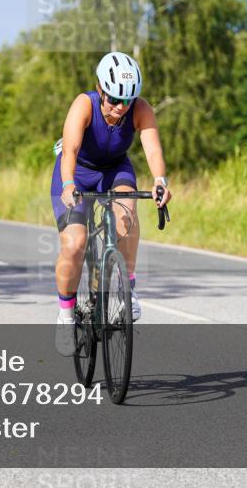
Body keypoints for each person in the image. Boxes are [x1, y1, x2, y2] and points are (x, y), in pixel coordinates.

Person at [51, 52, 173, 356]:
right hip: (76, 170)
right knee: (75, 243)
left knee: (126, 216)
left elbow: (153, 150)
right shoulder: (84, 104)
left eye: (127, 100)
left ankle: (127, 289)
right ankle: (65, 315)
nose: (121, 107)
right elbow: (70, 151)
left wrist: (160, 181)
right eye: (115, 99)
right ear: (100, 88)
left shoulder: (139, 109)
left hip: (115, 169)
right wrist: (68, 187)